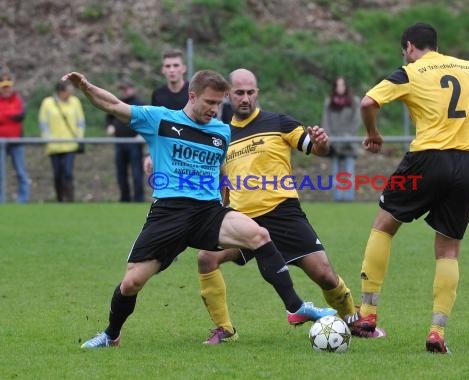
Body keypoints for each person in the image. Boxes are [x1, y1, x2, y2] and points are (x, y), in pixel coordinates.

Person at [62, 69, 336, 349]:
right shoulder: (160, 119)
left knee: (259, 234)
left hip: (207, 212)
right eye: (209, 102)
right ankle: (111, 335)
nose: (215, 110)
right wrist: (86, 87)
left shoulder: (221, 131)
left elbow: (221, 168)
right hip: (169, 213)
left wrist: (228, 197)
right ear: (192, 96)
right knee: (131, 283)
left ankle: (295, 307)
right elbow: (113, 105)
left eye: (219, 104)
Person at [352, 23, 469, 354]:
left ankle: (368, 314)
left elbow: (368, 102)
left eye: (405, 51)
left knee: (384, 225)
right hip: (468, 163)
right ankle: (437, 331)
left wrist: (373, 133)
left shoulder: (410, 71)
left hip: (427, 159)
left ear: (410, 47)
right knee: (448, 249)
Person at [197, 68, 385, 345]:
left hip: (284, 214)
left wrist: (321, 143)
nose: (245, 98)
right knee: (206, 258)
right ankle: (225, 329)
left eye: (250, 92)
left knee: (325, 275)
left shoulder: (278, 122)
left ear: (257, 93)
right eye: (239, 93)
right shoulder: (220, 134)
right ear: (228, 96)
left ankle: (352, 321)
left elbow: (315, 147)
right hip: (243, 220)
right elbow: (218, 177)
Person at [39, 80, 86, 202]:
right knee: (57, 174)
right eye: (68, 90)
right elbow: (43, 123)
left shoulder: (75, 102)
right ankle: (60, 199)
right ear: (61, 91)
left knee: (68, 172)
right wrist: (47, 139)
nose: (70, 93)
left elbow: (80, 121)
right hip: (54, 145)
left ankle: (70, 199)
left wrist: (79, 137)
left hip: (70, 144)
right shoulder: (47, 103)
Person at [321, 76, 361, 202]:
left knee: (349, 171)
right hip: (333, 141)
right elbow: (325, 121)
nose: (340, 88)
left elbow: (357, 120)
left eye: (342, 85)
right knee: (335, 172)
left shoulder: (354, 101)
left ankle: (349, 198)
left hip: (349, 142)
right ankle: (337, 198)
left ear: (346, 86)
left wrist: (347, 136)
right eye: (338, 85)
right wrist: (329, 136)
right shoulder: (329, 102)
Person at [105, 80, 145, 202]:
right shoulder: (118, 103)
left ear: (133, 89)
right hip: (120, 142)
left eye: (126, 89)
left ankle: (139, 199)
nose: (125, 91)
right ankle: (124, 198)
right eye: (123, 89)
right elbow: (109, 116)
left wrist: (142, 134)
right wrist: (110, 125)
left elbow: (146, 120)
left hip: (134, 143)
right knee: (121, 173)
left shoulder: (139, 104)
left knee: (136, 172)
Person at [0, 72, 29, 203]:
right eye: (3, 87)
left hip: (16, 141)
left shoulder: (18, 100)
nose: (6, 90)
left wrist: (5, 116)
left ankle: (22, 200)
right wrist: (8, 116)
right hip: (1, 142)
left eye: (8, 86)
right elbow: (11, 115)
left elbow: (19, 114)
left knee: (21, 173)